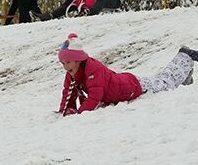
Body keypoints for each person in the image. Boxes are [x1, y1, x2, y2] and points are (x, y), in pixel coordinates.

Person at [57, 32, 195, 116]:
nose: (65, 67)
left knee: (165, 83)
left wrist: (79, 113)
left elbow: (95, 97)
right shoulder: (73, 72)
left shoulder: (93, 69)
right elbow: (68, 93)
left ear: (78, 60)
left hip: (132, 87)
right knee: (162, 81)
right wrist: (64, 110)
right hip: (125, 83)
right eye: (63, 63)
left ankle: (184, 56)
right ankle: (185, 74)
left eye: (68, 62)